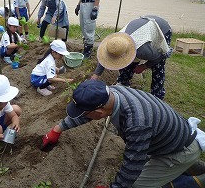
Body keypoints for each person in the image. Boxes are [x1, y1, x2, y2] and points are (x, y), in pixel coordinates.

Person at [41, 79, 205, 188]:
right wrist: (57, 129)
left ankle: (195, 179)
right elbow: (85, 115)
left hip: (178, 150)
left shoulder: (137, 123)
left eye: (85, 113)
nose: (84, 117)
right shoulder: (111, 93)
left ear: (99, 110)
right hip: (171, 139)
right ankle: (190, 166)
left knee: (136, 185)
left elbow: (132, 164)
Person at [92, 15, 173, 100]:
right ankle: (123, 83)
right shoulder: (115, 43)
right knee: (128, 64)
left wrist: (144, 66)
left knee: (158, 67)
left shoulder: (142, 50)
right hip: (139, 27)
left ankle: (157, 96)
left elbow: (160, 56)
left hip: (161, 29)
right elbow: (105, 58)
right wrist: (95, 76)